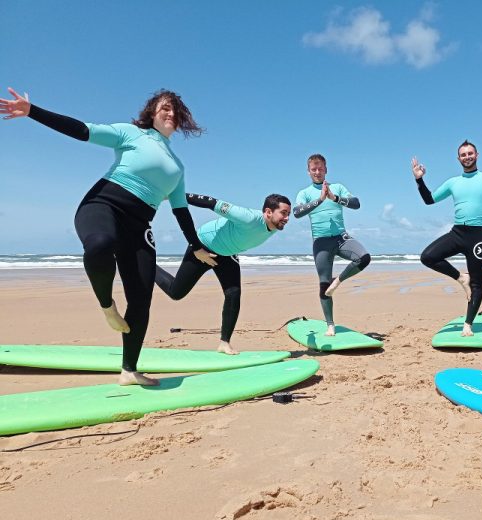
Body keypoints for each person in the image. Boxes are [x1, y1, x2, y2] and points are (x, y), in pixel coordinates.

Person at [0, 87, 214, 386]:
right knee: (100, 244)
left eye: (176, 111)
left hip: (139, 225)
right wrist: (31, 110)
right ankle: (106, 306)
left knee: (141, 300)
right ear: (152, 112)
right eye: (165, 108)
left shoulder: (178, 167)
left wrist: (197, 246)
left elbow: (181, 212)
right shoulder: (131, 134)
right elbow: (82, 130)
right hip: (103, 205)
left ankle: (129, 370)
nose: (170, 114)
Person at [155, 193, 291, 354]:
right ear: (268, 212)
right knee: (176, 293)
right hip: (203, 247)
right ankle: (148, 264)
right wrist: (172, 195)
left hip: (227, 254)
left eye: (288, 214)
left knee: (233, 294)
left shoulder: (275, 225)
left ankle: (224, 343)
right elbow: (209, 202)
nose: (287, 218)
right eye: (283, 213)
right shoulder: (247, 217)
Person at [412, 141, 482, 336]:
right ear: (458, 158)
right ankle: (461, 278)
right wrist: (419, 180)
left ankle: (468, 324)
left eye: (470, 153)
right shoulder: (453, 182)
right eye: (463, 154)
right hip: (458, 233)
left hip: (479, 236)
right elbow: (429, 200)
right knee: (428, 257)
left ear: (477, 155)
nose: (467, 157)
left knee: (477, 283)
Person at [293, 154, 370, 337]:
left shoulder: (338, 187)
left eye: (320, 168)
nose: (317, 172)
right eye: (314, 169)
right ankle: (330, 325)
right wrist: (320, 199)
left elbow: (356, 204)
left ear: (326, 169)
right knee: (323, 286)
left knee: (364, 258)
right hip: (321, 242)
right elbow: (296, 213)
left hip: (341, 238)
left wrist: (334, 198)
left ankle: (339, 280)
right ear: (309, 171)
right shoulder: (304, 193)